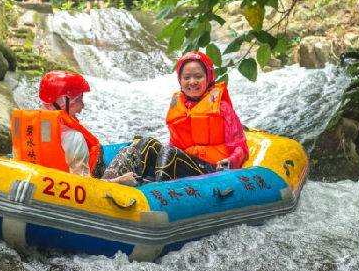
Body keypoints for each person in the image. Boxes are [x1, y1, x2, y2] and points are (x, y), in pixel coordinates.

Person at [102, 52, 249, 182]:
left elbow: (240, 146)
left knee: (169, 153)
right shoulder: (178, 107)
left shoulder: (222, 108)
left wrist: (230, 161)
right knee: (148, 142)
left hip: (211, 169)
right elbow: (175, 142)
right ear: (180, 80)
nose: (192, 82)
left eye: (198, 76)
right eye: (187, 77)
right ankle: (118, 181)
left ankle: (157, 190)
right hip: (184, 163)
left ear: (208, 78)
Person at [10, 71, 137, 185]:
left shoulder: (22, 129)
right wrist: (120, 180)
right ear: (63, 101)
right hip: (68, 193)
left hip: (35, 183)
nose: (82, 106)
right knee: (134, 149)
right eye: (79, 99)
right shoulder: (74, 138)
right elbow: (84, 187)